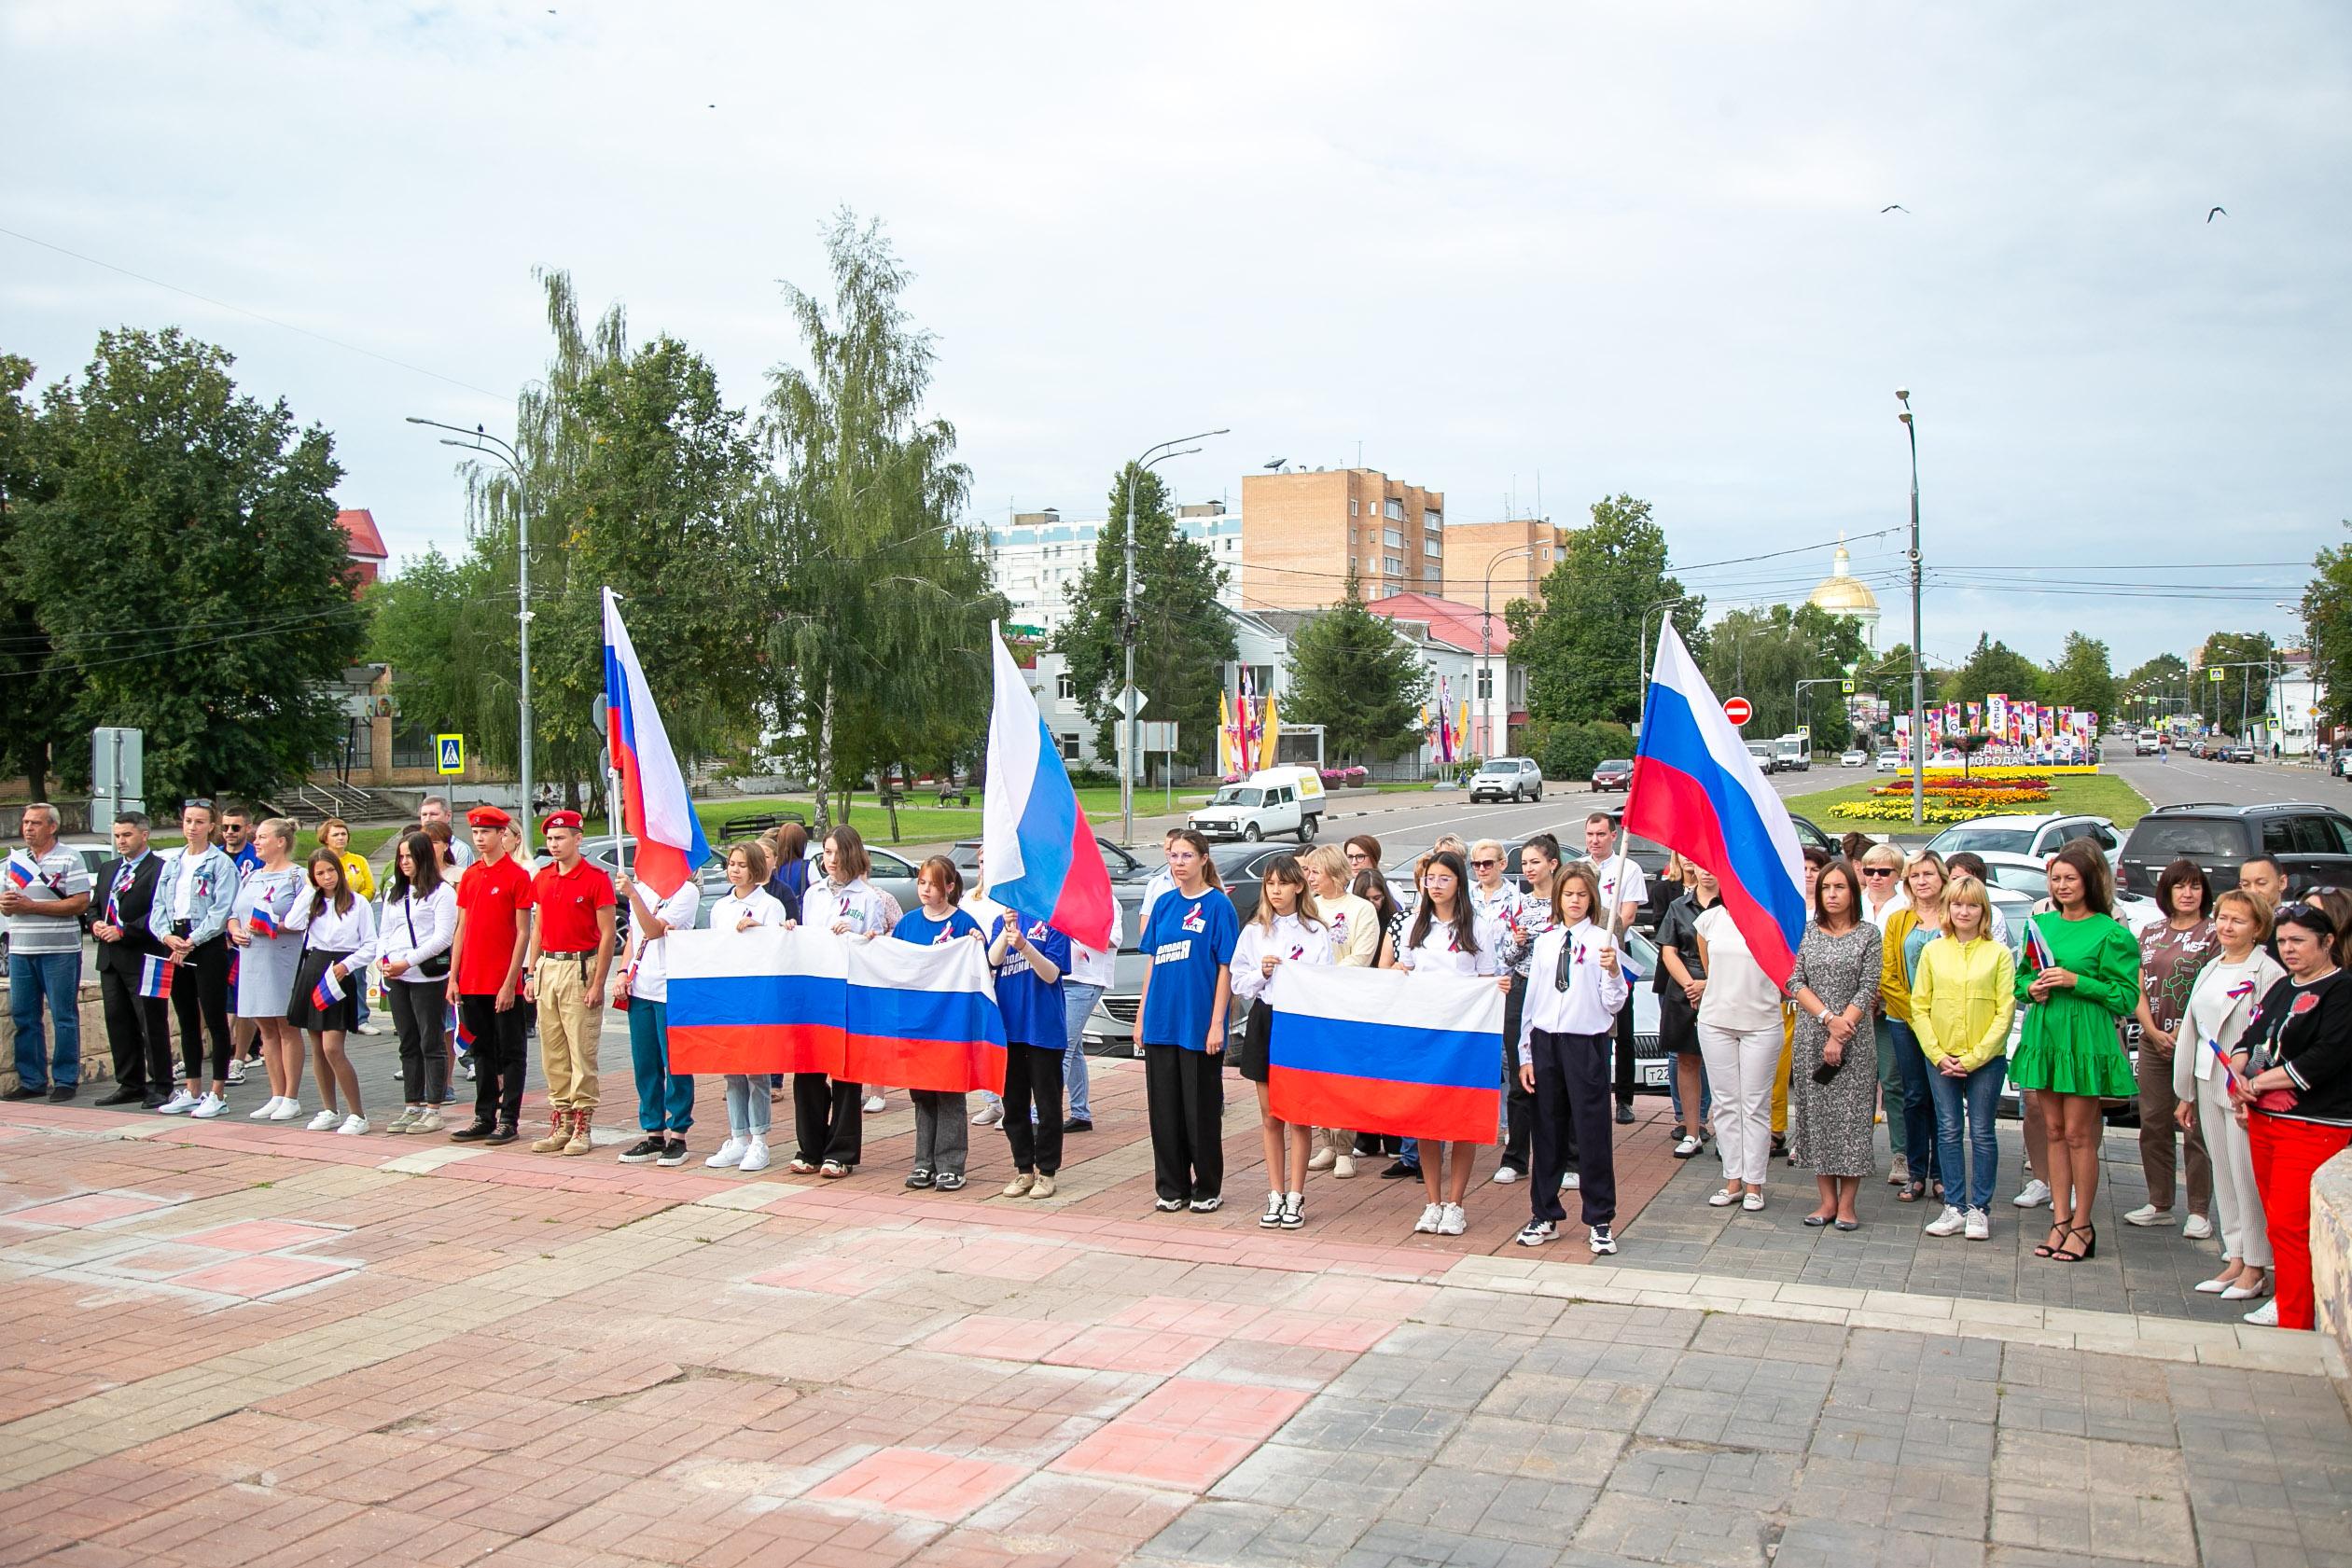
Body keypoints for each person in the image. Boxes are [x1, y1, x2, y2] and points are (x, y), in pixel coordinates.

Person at [2011, 840, 2141, 1264]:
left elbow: (2124, 997)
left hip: (2086, 1037)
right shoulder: (2040, 926)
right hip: (2046, 1032)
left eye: (2071, 878)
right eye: (2056, 879)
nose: (2062, 885)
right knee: (2051, 1131)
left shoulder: (2111, 932)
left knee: (2079, 1135)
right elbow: (2021, 980)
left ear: (2089, 881)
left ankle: (2083, 1224)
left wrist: (2075, 981)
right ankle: (2060, 1220)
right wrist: (2032, 988)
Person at [2233, 903, 2352, 1330]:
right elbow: (2251, 1034)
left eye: (2298, 940)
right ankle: (2292, 1302)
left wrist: (2260, 1083)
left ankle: (2295, 1320)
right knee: (2277, 1221)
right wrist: (2238, 1071)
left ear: (2328, 941)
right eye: (2282, 941)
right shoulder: (2283, 986)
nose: (2289, 949)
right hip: (2264, 1120)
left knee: (2290, 1223)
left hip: (2314, 1124)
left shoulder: (2342, 990)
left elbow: (2327, 1057)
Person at [1382, 848, 1508, 1237]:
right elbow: (1403, 971)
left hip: (1465, 1038)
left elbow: (1488, 979)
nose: (1435, 886)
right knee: (1426, 1122)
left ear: (1459, 884)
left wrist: (1495, 986)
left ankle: (1455, 1204)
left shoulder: (1478, 927)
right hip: (1424, 1035)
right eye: (1430, 879)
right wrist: (1401, 971)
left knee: (1461, 1122)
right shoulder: (1413, 927)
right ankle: (1432, 1202)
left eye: (1444, 879)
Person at [2178, 890, 2285, 1303]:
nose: (2227, 927)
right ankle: (2236, 1253)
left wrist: (2250, 1087)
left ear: (2257, 928)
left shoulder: (2267, 972)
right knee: (2223, 1173)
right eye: (2223, 918)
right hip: (2207, 1080)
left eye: (2238, 921)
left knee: (2246, 1176)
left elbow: (2267, 1039)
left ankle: (2257, 1264)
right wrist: (2184, 1091)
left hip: (2242, 1090)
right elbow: (2193, 1028)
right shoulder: (2211, 966)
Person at [1514, 863, 1628, 1253]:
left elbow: (1613, 1005)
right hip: (1546, 1042)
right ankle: (1544, 1212)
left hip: (1585, 1044)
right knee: (1547, 1128)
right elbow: (1533, 1001)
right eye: (1568, 894)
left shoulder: (1603, 942)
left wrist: (1613, 973)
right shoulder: (1546, 942)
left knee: (1592, 1130)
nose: (1575, 901)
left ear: (1592, 898)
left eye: (1581, 894)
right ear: (1558, 898)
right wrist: (1525, 1052)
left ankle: (1600, 1218)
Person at [1136, 829, 1239, 1214]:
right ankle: (1171, 1186)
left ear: (1203, 859)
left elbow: (1225, 967)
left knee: (1200, 1112)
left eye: (1186, 856)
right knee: (1164, 1111)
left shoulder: (1218, 906)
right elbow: (1152, 961)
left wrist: (1217, 1024)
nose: (1178, 863)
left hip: (1197, 1023)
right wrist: (1142, 1016)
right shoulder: (1163, 904)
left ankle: (1207, 1186)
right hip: (1161, 1021)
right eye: (1174, 856)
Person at [1909, 875, 2016, 1240]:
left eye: (1972, 905)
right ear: (1947, 909)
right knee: (1949, 1129)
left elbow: (2005, 1011)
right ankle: (1953, 1205)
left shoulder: (1998, 954)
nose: (1964, 911)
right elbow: (1919, 1006)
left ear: (1983, 910)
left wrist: (1974, 1058)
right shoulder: (1933, 952)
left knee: (1983, 1132)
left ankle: (1979, 1209)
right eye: (1957, 904)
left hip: (1985, 1059)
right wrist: (1938, 1054)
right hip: (1941, 1055)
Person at [1231, 853, 1333, 1229]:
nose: (1275, 891)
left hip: (1299, 1023)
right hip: (1265, 1018)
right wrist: (1262, 971)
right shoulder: (1255, 931)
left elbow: (1326, 982)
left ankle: (1296, 1194)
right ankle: (1274, 1193)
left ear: (1298, 886)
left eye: (1282, 883)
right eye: (1270, 884)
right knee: (1271, 1113)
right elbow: (1238, 983)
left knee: (1298, 1115)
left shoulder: (1315, 932)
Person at [793, 826, 896, 1175]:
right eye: (826, 851)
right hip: (816, 992)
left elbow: (877, 943)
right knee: (807, 1071)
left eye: (836, 852)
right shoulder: (814, 895)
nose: (830, 859)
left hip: (851, 991)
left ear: (852, 854)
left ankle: (842, 1151)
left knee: (846, 1074)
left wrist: (858, 937)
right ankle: (810, 1147)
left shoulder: (868, 897)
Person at [1788, 858, 1886, 1229]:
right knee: (1818, 1118)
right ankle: (1826, 1201)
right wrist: (1828, 1020)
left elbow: (1868, 985)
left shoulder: (1868, 934)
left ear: (1853, 892)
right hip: (1813, 1036)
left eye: (1839, 887)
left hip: (1855, 1041)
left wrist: (1843, 1028)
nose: (1831, 894)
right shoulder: (1808, 931)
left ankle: (1848, 1204)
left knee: (1852, 1121)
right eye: (1826, 887)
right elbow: (1795, 980)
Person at [2124, 859, 2218, 1234]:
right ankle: (2159, 1201)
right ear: (2167, 892)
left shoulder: (2213, 933)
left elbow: (2209, 988)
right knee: (2153, 1121)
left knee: (2195, 1127)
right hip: (2153, 1040)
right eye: (2180, 886)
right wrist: (2150, 1028)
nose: (2187, 893)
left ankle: (2199, 1210)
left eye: (2195, 886)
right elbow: (2138, 986)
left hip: (2195, 1041)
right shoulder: (2150, 932)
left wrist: (2184, 1034)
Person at [522, 811, 617, 1158]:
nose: (554, 845)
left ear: (578, 839)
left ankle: (582, 1121)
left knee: (581, 1048)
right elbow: (538, 927)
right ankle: (561, 1117)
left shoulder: (595, 878)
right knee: (553, 1051)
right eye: (550, 839)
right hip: (549, 964)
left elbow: (608, 934)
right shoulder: (544, 878)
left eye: (561, 838)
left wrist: (598, 982)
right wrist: (531, 973)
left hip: (580, 966)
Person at [1694, 869, 1784, 1212]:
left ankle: (1754, 1184)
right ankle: (1732, 1179)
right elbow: (1708, 965)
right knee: (1726, 1103)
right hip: (1716, 1021)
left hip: (1761, 1023)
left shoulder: (1771, 920)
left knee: (1754, 1105)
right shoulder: (1710, 920)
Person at [894, 855, 984, 1191]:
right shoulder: (908, 924)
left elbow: (980, 969)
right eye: (921, 883)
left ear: (949, 886)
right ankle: (923, 1162)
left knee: (948, 1093)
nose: (926, 890)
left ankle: (950, 1163)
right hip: (917, 1024)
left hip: (949, 1024)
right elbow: (894, 964)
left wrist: (976, 943)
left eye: (933, 884)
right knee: (922, 1095)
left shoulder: (963, 924)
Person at [446, 806, 534, 1145]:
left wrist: (511, 980)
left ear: (503, 836)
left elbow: (522, 933)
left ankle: (509, 1117)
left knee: (510, 1050)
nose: (480, 838)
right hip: (471, 977)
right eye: (476, 832)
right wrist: (453, 977)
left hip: (502, 978)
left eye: (487, 832)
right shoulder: (470, 876)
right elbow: (461, 928)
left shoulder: (517, 876)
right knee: (481, 1049)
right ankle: (484, 1114)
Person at [148, 801, 238, 1116]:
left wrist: (192, 940)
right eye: (188, 821)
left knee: (214, 1016)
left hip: (206, 943)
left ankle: (218, 1091)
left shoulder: (220, 863)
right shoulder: (172, 863)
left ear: (211, 826)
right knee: (186, 1017)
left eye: (200, 822)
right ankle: (192, 1088)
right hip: (175, 940)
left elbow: (222, 908)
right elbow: (159, 904)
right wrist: (165, 935)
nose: (192, 827)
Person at [702, 841, 786, 1174]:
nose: (734, 870)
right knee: (732, 1071)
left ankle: (759, 1139)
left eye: (741, 865)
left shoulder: (770, 905)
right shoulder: (720, 907)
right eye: (731, 864)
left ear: (755, 868)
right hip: (728, 995)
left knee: (757, 1071)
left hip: (758, 996)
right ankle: (737, 1136)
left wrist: (759, 931)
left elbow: (780, 946)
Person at [613, 859, 702, 1167]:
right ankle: (653, 1131)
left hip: (670, 989)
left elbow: (653, 930)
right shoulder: (644, 889)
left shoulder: (685, 892)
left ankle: (678, 1133)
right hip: (641, 988)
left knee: (675, 1064)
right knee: (645, 1064)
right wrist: (623, 971)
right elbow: (636, 938)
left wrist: (632, 897)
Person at [283, 848, 377, 1133]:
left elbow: (370, 944)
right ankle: (329, 1109)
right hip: (314, 966)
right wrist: (308, 891)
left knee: (332, 1047)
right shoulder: (313, 902)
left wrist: (347, 966)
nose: (326, 877)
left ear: (340, 870)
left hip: (339, 970)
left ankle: (357, 1113)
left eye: (331, 871)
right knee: (317, 1048)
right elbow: (291, 923)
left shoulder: (357, 903)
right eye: (319, 873)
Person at [3, 802, 92, 1103]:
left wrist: (33, 907)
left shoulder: (70, 857)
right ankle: (33, 1080)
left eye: (35, 823)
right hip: (20, 949)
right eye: (26, 823)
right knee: (25, 1015)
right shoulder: (13, 861)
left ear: (52, 827)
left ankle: (66, 1079)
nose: (28, 828)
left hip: (60, 950)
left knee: (63, 1015)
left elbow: (80, 903)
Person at [1878, 853, 1951, 1204]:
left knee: (1943, 1097)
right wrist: (1916, 1014)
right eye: (1915, 875)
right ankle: (1916, 1172)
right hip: (1904, 1021)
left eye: (1928, 874)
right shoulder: (1898, 920)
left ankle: (1942, 1173)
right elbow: (1887, 974)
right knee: (1913, 1095)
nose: (1922, 881)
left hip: (1947, 1022)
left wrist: (1935, 1016)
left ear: (1942, 877)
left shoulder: (1954, 916)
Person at [1302, 844, 1378, 1178]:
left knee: (1344, 1075)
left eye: (1315, 872)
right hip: (1315, 1002)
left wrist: (1330, 977)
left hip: (1348, 1001)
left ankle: (1347, 1146)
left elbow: (1362, 954)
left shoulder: (1361, 909)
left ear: (1334, 873)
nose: (1310, 878)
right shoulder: (1309, 908)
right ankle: (1327, 1142)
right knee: (1319, 1076)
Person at [991, 897, 1072, 1200]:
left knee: (1048, 1106)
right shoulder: (1005, 918)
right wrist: (1006, 929)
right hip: (1009, 1028)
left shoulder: (1055, 919)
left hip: (1044, 1028)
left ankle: (1047, 1172)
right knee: (1013, 1105)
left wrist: (1025, 946)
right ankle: (1023, 1169)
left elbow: (1052, 973)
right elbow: (993, 959)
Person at [1498, 834, 1567, 1181]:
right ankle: (1514, 1159)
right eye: (1524, 863)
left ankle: (1567, 1159)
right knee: (1518, 1068)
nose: (1528, 869)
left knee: (1558, 1072)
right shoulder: (1518, 904)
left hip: (1558, 990)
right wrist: (1517, 942)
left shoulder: (1566, 901)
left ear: (1552, 864)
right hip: (1523, 988)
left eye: (1534, 862)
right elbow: (1507, 957)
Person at [91, 812, 172, 1108]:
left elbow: (161, 913)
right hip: (110, 959)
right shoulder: (109, 868)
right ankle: (130, 1083)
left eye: (126, 835)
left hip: (145, 957)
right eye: (117, 836)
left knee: (151, 1022)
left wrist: (124, 931)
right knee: (118, 1022)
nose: (121, 841)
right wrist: (96, 923)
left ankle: (161, 1084)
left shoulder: (160, 869)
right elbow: (94, 905)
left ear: (144, 834)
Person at [378, 831, 457, 1133]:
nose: (404, 862)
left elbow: (442, 937)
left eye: (410, 856)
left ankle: (434, 1107)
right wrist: (383, 958)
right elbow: (384, 930)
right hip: (397, 975)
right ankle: (412, 1105)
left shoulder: (442, 892)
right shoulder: (395, 893)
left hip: (426, 975)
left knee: (431, 1040)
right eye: (401, 857)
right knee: (407, 1041)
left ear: (423, 857)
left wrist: (407, 961)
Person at [230, 820, 309, 1123]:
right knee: (265, 1028)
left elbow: (305, 919)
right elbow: (234, 912)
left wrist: (273, 927)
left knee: (286, 1025)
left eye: (263, 837)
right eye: (257, 837)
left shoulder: (297, 876)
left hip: (282, 956)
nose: (256, 841)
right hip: (252, 957)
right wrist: (235, 928)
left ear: (281, 841)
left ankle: (292, 1096)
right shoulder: (251, 876)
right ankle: (276, 1094)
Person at [1578, 813, 1649, 1124]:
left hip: (1616, 948)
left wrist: (1605, 932)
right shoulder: (1579, 868)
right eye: (1590, 834)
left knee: (1624, 1028)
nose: (1595, 840)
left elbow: (1627, 915)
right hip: (1585, 952)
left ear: (1613, 835)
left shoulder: (1627, 868)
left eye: (1601, 834)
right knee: (1594, 1025)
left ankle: (1624, 1099)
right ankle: (1596, 1092)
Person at [1652, 856, 1714, 1161]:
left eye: (1713, 865)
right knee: (1686, 1060)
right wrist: (1691, 984)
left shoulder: (1733, 908)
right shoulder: (1679, 906)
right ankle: (1692, 1131)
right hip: (1683, 990)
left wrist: (1709, 984)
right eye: (1703, 864)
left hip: (1722, 989)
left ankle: (1731, 1135)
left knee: (1723, 1065)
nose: (1706, 870)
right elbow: (1668, 951)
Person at [315, 817, 381, 1037]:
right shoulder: (322, 861)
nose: (341, 838)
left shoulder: (358, 860)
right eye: (336, 834)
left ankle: (361, 1017)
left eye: (344, 834)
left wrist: (353, 904)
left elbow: (370, 887)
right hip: (329, 928)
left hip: (354, 916)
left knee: (358, 973)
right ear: (326, 838)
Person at [418, 796, 475, 868]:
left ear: (448, 816)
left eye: (433, 814)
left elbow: (465, 878)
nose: (428, 819)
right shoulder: (413, 845)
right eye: (424, 814)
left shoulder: (460, 849)